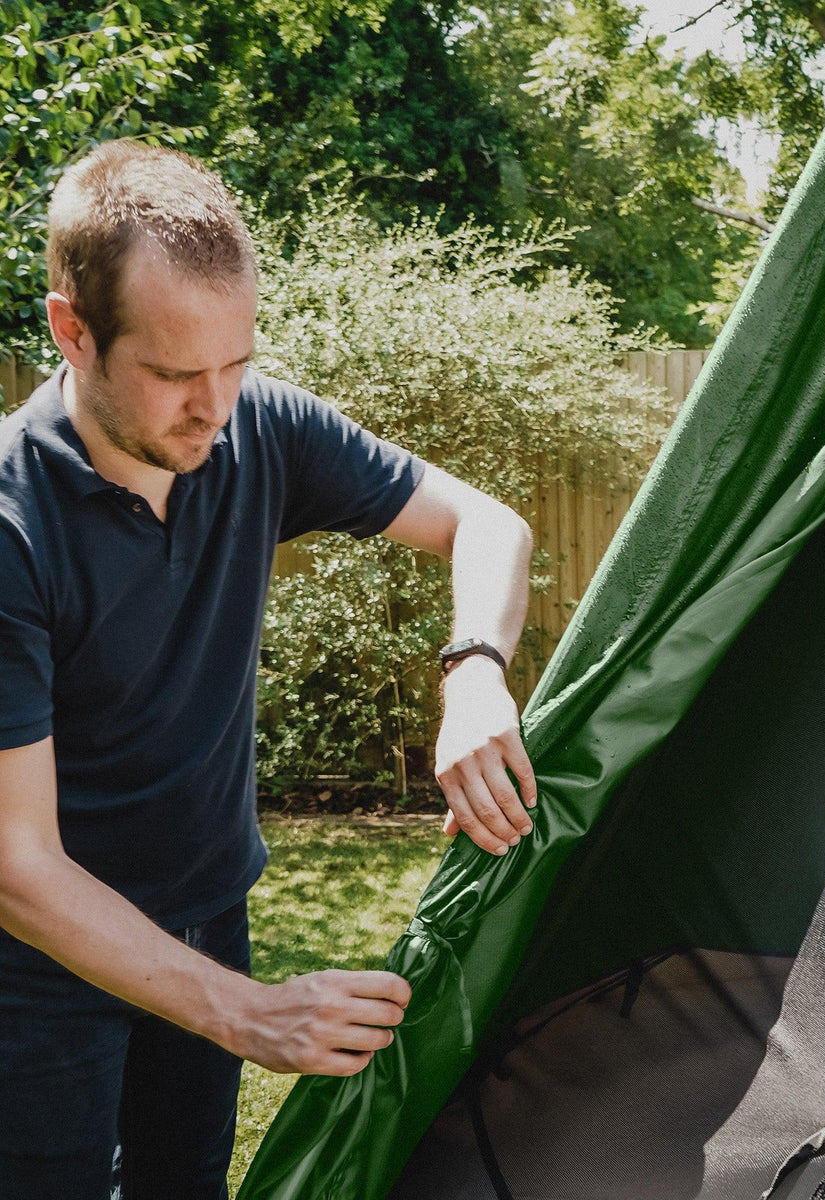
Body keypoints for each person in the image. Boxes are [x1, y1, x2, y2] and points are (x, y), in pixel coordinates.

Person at [0, 140, 538, 1199]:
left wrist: (475, 667)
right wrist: (250, 1014)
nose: (214, 406)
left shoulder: (260, 428)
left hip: (208, 913)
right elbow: (18, 868)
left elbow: (488, 523)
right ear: (73, 331)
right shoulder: (12, 529)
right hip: (40, 974)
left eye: (236, 363)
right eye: (173, 374)